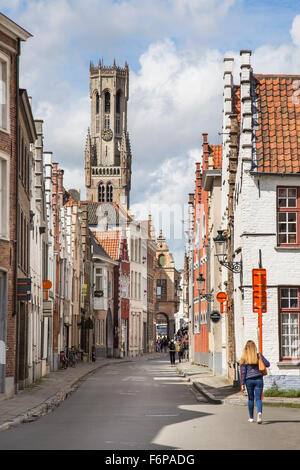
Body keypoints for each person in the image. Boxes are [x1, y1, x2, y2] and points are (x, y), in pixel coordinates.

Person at [240, 340, 270, 424]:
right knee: (258, 398)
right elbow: (267, 364)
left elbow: (243, 372)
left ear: (246, 348)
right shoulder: (259, 356)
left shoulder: (244, 358)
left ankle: (251, 417)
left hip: (249, 380)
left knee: (250, 399)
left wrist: (242, 383)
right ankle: (259, 413)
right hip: (259, 379)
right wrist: (260, 360)